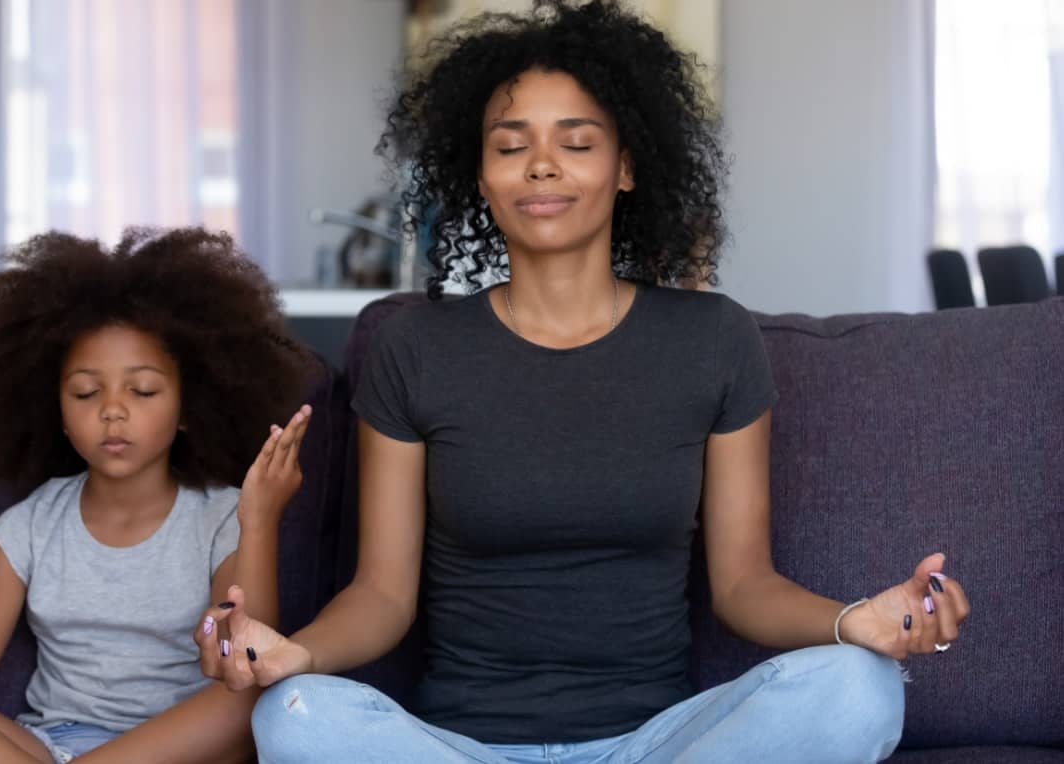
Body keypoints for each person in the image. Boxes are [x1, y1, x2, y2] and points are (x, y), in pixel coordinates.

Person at [198, 3, 970, 762]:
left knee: (862, 688)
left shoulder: (712, 339)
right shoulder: (416, 346)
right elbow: (382, 597)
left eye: (576, 142)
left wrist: (857, 622)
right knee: (295, 715)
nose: (542, 164)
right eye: (511, 145)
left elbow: (743, 585)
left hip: (657, 743)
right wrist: (297, 656)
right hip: (460, 745)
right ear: (480, 173)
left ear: (626, 165)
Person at [0, 227, 312, 764]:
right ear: (58, 413)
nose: (112, 409)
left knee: (246, 699)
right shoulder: (31, 524)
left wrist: (260, 524)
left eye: (143, 390)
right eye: (87, 392)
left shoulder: (223, 514)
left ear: (187, 408)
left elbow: (239, 652)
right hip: (46, 746)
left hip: (177, 749)